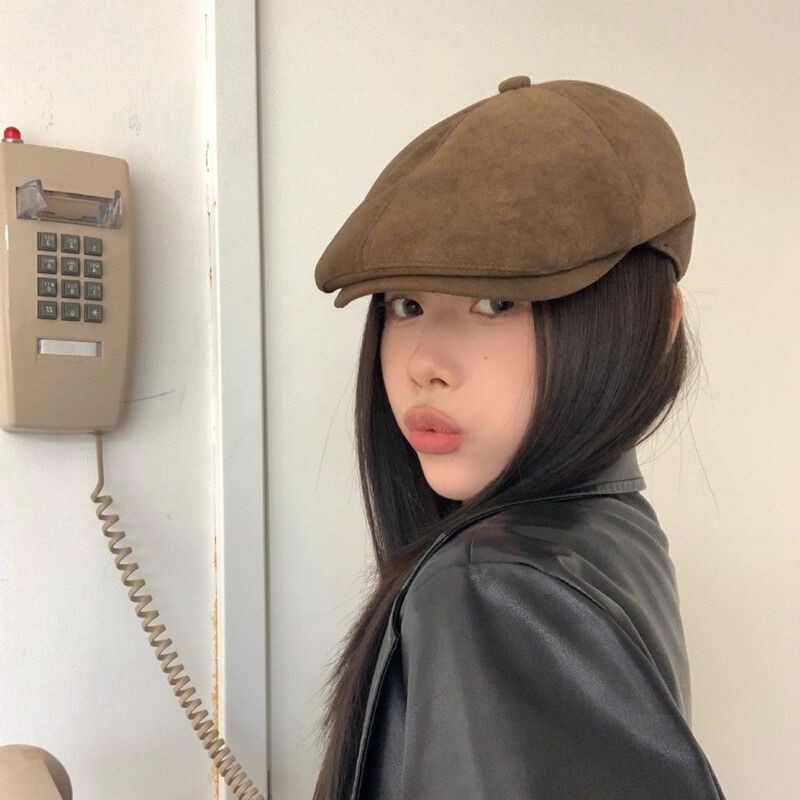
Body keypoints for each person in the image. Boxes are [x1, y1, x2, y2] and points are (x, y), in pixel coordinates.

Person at [311, 75, 726, 800]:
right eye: (405, 305)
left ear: (656, 322)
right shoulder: (615, 528)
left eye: (497, 302)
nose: (423, 364)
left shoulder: (488, 583)